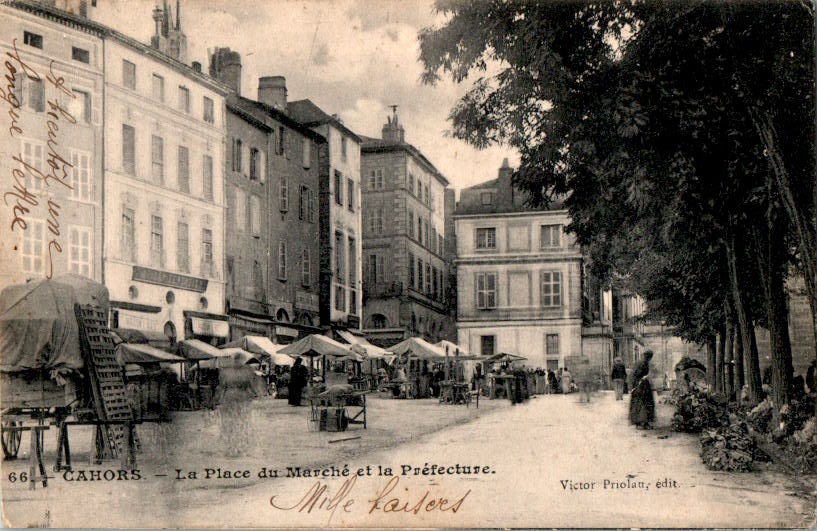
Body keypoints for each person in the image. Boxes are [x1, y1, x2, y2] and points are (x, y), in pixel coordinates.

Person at [629, 350, 656, 429]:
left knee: (637, 403)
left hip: (637, 385)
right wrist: (644, 377)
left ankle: (638, 423)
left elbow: (633, 374)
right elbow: (639, 374)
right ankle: (644, 423)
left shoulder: (638, 362)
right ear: (649, 356)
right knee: (645, 403)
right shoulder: (644, 363)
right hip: (642, 385)